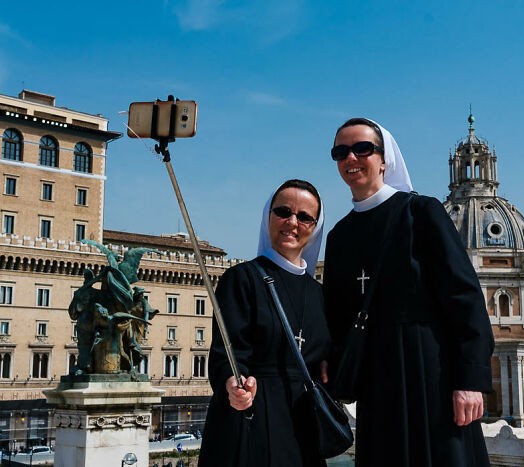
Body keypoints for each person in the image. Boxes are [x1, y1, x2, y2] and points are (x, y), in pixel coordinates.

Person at [322, 118, 495, 466]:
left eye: (362, 149)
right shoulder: (339, 236)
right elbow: (335, 316)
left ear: (384, 159)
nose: (351, 158)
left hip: (431, 370)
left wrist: (470, 380)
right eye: (340, 152)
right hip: (375, 379)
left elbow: (464, 297)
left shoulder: (421, 212)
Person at [199, 179, 330, 467]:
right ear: (268, 216)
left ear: (315, 227)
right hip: (252, 419)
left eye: (304, 217)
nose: (292, 222)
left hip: (303, 424)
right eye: (283, 212)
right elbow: (226, 352)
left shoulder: (320, 294)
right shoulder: (241, 279)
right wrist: (233, 384)